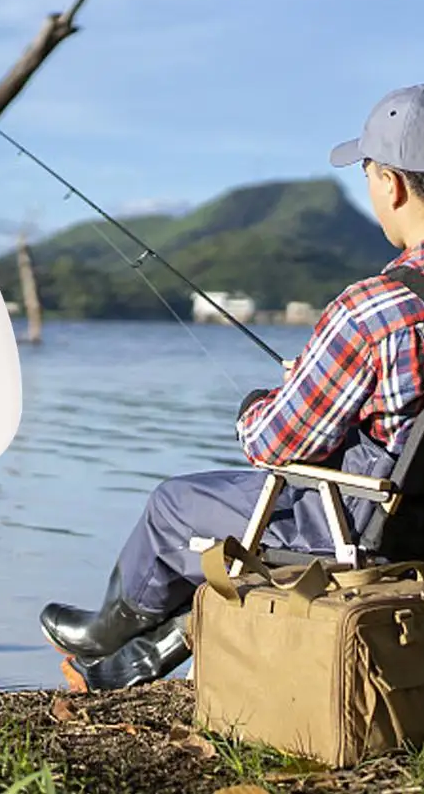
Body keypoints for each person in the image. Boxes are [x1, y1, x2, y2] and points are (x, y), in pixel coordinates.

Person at [39, 83, 424, 692]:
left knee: (172, 507)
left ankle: (110, 631)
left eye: (371, 175)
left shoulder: (372, 311)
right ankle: (140, 658)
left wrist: (256, 406)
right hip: (417, 521)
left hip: (358, 530)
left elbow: (272, 445)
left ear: (393, 185)